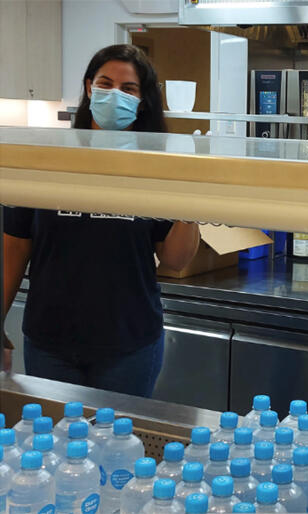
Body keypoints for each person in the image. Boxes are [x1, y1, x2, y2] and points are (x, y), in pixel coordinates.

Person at [2, 44, 200, 397]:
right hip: (50, 343)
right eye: (105, 84)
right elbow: (15, 246)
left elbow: (175, 259)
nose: (114, 95)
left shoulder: (154, 166)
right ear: (89, 87)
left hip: (129, 346)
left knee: (118, 447)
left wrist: (194, 197)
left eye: (128, 89)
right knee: (54, 449)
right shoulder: (50, 160)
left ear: (142, 100)